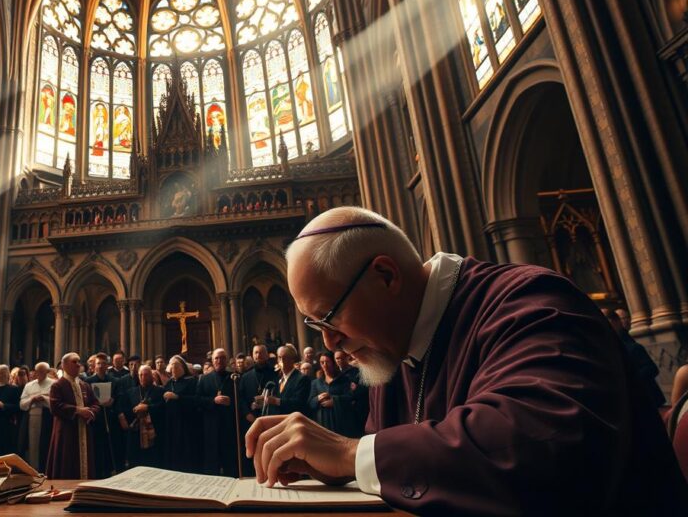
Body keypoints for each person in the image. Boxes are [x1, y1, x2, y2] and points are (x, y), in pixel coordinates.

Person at [245, 207, 688, 514]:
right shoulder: (391, 351)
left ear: (385, 275)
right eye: (316, 325)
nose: (329, 342)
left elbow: (541, 452)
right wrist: (342, 469)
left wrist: (349, 454)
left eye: (329, 317)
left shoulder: (532, 303)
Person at [45, 353, 99, 479]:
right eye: (74, 362)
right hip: (67, 431)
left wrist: (91, 412)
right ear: (64, 365)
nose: (78, 365)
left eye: (79, 361)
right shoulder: (57, 385)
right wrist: (77, 410)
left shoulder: (84, 385)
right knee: (67, 462)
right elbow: (55, 406)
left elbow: (95, 403)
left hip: (84, 429)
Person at [197, 348, 242, 477]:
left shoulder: (234, 378)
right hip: (211, 424)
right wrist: (213, 400)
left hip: (229, 424)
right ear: (212, 361)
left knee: (230, 459)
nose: (219, 360)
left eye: (222, 358)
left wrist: (231, 401)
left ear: (226, 360)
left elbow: (242, 399)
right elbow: (198, 400)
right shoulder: (204, 379)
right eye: (216, 358)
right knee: (212, 460)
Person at [309, 351, 368, 438]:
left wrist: (335, 401)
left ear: (333, 363)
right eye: (322, 362)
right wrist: (317, 398)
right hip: (323, 422)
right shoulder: (316, 383)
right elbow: (310, 403)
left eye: (327, 362)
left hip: (341, 422)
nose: (325, 365)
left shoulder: (344, 380)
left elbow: (351, 398)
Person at [120, 365, 164, 468]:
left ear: (152, 376)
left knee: (153, 463)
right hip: (135, 432)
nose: (143, 377)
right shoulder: (131, 392)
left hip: (154, 433)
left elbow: (163, 408)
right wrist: (135, 410)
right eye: (140, 375)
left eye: (146, 375)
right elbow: (125, 409)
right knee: (135, 463)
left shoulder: (160, 391)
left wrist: (148, 408)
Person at [162, 355, 199, 472]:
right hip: (171, 421)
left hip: (186, 422)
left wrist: (177, 397)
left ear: (183, 367)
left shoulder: (191, 381)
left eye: (176, 366)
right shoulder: (169, 383)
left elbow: (195, 400)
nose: (173, 369)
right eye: (172, 366)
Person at [85, 354, 118, 477]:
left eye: (103, 363)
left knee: (110, 445)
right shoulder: (88, 381)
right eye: (98, 363)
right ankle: (97, 472)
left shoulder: (114, 381)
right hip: (95, 418)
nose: (100, 366)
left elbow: (118, 396)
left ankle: (111, 471)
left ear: (107, 366)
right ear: (94, 366)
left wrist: (113, 400)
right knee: (96, 446)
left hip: (110, 417)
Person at [18, 362, 54, 471]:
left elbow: (56, 403)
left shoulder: (53, 384)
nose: (38, 374)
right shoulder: (29, 385)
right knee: (32, 444)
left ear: (47, 372)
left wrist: (44, 398)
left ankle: (45, 469)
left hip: (47, 419)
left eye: (42, 371)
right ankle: (33, 469)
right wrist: (32, 399)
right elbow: (22, 404)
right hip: (32, 418)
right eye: (37, 371)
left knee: (45, 444)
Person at [262, 345, 310, 416]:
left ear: (292, 359)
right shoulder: (276, 379)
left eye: (285, 358)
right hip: (277, 419)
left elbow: (299, 403)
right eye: (279, 358)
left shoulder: (302, 378)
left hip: (293, 419)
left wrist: (276, 401)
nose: (282, 361)